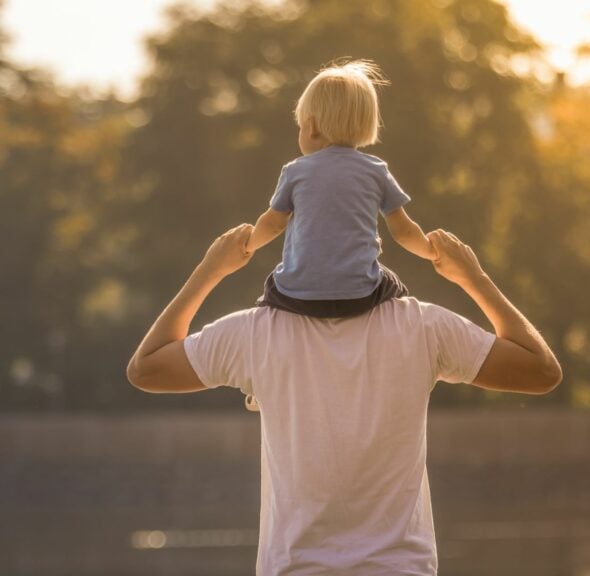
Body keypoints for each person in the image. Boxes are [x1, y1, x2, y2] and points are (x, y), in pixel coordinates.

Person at [126, 224, 562, 575]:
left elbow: (146, 368)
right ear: (373, 251)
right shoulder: (422, 327)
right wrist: (473, 277)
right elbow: (540, 371)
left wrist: (210, 270)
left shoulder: (255, 333)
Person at [245, 59, 434, 320]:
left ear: (310, 127)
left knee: (272, 285)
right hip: (360, 296)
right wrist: (431, 250)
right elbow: (403, 231)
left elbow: (274, 224)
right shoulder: (376, 170)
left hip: (297, 296)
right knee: (394, 285)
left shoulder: (295, 171)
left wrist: (247, 244)